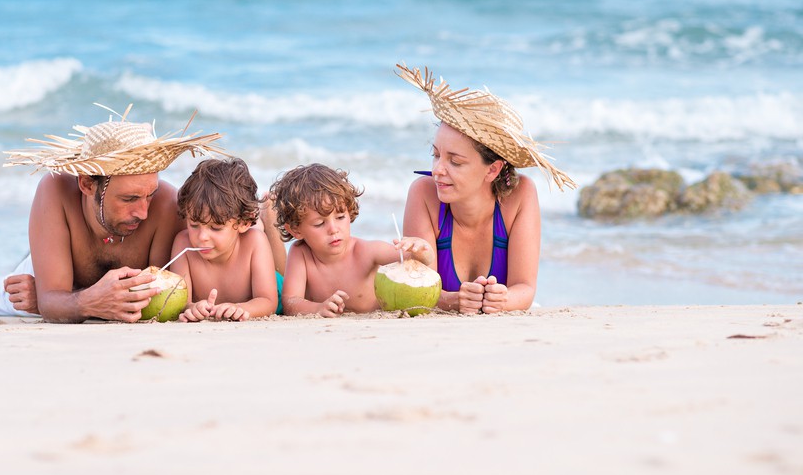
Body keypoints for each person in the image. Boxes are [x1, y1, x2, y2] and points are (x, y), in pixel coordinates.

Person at [0, 110, 224, 323]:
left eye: (149, 195)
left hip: (71, 290)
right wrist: (53, 301)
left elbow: (157, 302)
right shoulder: (57, 190)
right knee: (10, 297)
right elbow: (50, 303)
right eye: (129, 199)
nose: (143, 213)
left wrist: (63, 300)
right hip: (44, 268)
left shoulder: (167, 206)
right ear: (86, 184)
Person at [396, 64, 576, 314]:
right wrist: (453, 301)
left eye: (455, 161)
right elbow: (417, 288)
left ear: (492, 170)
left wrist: (502, 300)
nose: (438, 170)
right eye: (435, 155)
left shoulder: (521, 195)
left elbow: (524, 288)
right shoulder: (423, 194)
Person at [271, 163, 432, 317]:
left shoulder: (368, 251)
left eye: (340, 217)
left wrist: (421, 248)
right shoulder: (301, 254)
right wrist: (318, 308)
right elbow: (290, 302)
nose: (333, 229)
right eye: (319, 223)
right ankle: (267, 212)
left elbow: (419, 262)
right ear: (296, 230)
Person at [168, 157, 280, 322]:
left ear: (243, 223)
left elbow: (268, 302)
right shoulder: (183, 244)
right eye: (194, 225)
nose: (202, 237)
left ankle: (268, 214)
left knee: (278, 268)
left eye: (215, 228)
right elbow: (182, 302)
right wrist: (193, 308)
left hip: (275, 283)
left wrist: (241, 308)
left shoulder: (255, 242)